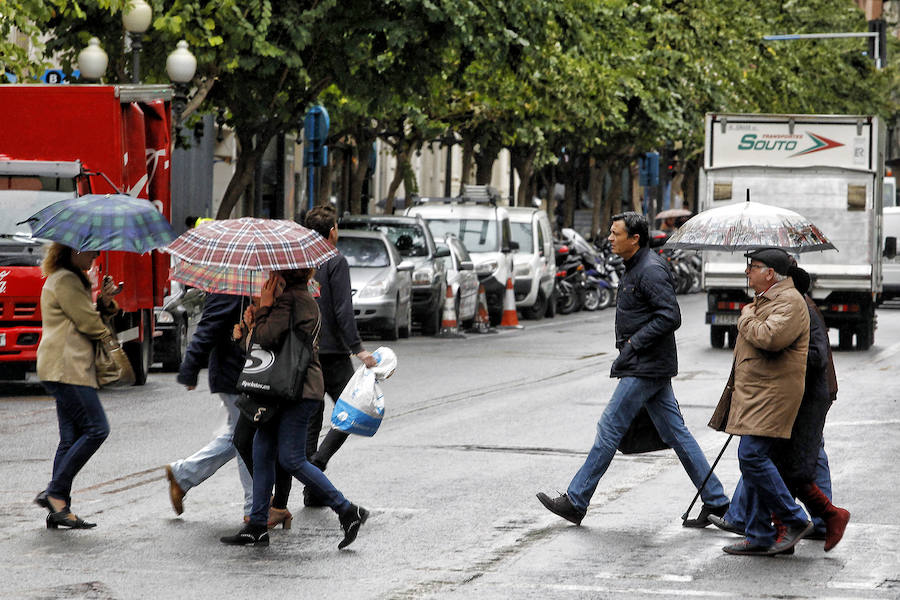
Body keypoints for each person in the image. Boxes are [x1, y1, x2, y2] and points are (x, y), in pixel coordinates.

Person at [536, 211, 729, 527]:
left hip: (646, 365)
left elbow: (670, 316)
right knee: (677, 434)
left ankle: (576, 500)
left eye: (615, 233)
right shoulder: (637, 266)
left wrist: (634, 344)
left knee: (609, 427)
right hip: (649, 364)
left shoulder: (650, 269)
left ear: (635, 238)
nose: (609, 238)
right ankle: (717, 501)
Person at [220, 269, 368, 548]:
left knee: (291, 459)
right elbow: (268, 350)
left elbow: (267, 338)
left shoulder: (292, 301)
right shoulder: (295, 300)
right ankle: (257, 525)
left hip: (298, 391)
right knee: (261, 451)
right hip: (282, 390)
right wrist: (249, 328)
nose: (269, 276)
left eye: (273, 273)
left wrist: (263, 310)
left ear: (282, 276)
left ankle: (347, 510)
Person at [710, 262, 849, 552]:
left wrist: (754, 326)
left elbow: (801, 352)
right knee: (774, 460)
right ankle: (771, 528)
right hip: (786, 396)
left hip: (802, 397)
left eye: (754, 267)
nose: (747, 273)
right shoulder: (779, 304)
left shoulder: (796, 306)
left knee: (787, 462)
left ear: (774, 275)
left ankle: (808, 520)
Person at [33, 243, 119, 529]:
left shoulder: (67, 278)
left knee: (70, 439)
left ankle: (59, 508)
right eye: (92, 250)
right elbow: (88, 323)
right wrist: (112, 341)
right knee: (97, 429)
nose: (96, 256)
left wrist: (104, 300)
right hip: (66, 367)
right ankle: (56, 492)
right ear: (73, 250)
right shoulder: (67, 280)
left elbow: (84, 317)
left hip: (63, 366)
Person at [302, 205, 376, 507]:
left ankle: (312, 486)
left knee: (311, 416)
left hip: (306, 350)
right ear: (332, 231)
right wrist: (357, 348)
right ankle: (316, 466)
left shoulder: (302, 259)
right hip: (332, 352)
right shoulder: (335, 261)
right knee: (353, 410)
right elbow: (344, 310)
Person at [164, 293, 254, 521]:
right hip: (233, 373)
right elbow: (207, 327)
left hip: (245, 371)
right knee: (246, 438)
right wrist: (190, 367)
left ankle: (184, 474)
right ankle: (254, 508)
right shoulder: (228, 286)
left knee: (239, 435)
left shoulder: (246, 280)